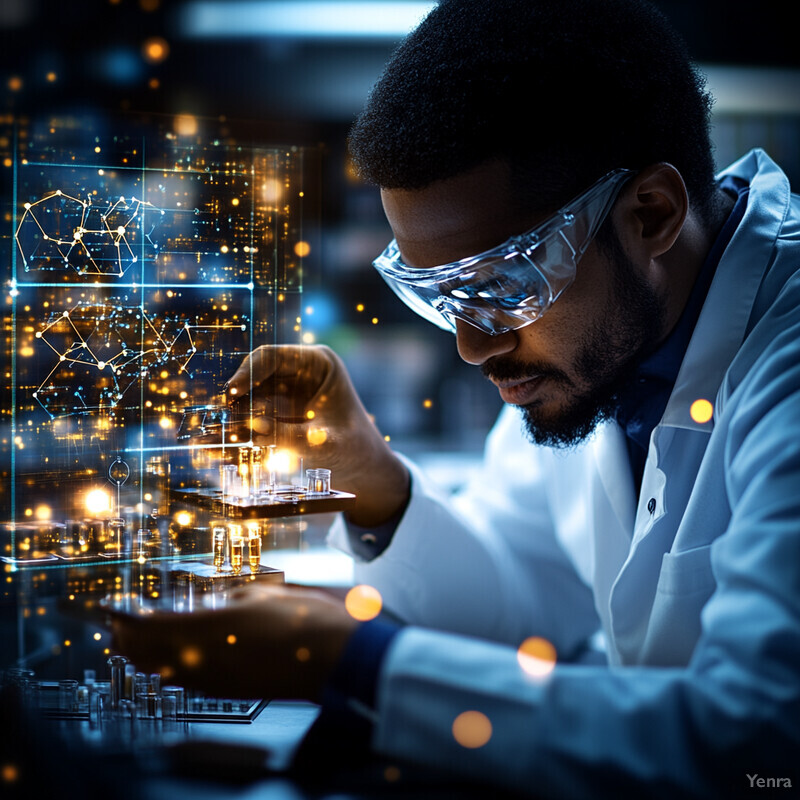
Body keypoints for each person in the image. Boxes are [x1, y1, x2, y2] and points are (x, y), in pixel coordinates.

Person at [111, 0, 800, 796]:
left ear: (651, 213)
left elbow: (759, 747)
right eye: (443, 299)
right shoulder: (600, 358)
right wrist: (376, 486)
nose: (473, 348)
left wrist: (351, 661)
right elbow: (525, 611)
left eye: (505, 284)